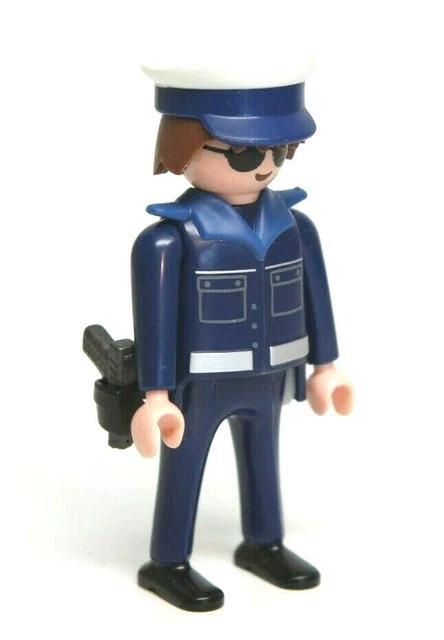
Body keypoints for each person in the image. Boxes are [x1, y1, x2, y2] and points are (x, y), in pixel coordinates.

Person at [130, 64, 354, 612]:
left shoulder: (294, 226)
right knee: (184, 463)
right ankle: (168, 560)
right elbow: (155, 318)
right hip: (198, 383)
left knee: (263, 458)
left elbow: (316, 298)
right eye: (245, 155)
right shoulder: (171, 240)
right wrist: (155, 395)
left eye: (277, 152)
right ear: (184, 147)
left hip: (270, 373)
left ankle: (263, 542)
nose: (265, 167)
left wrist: (326, 367)